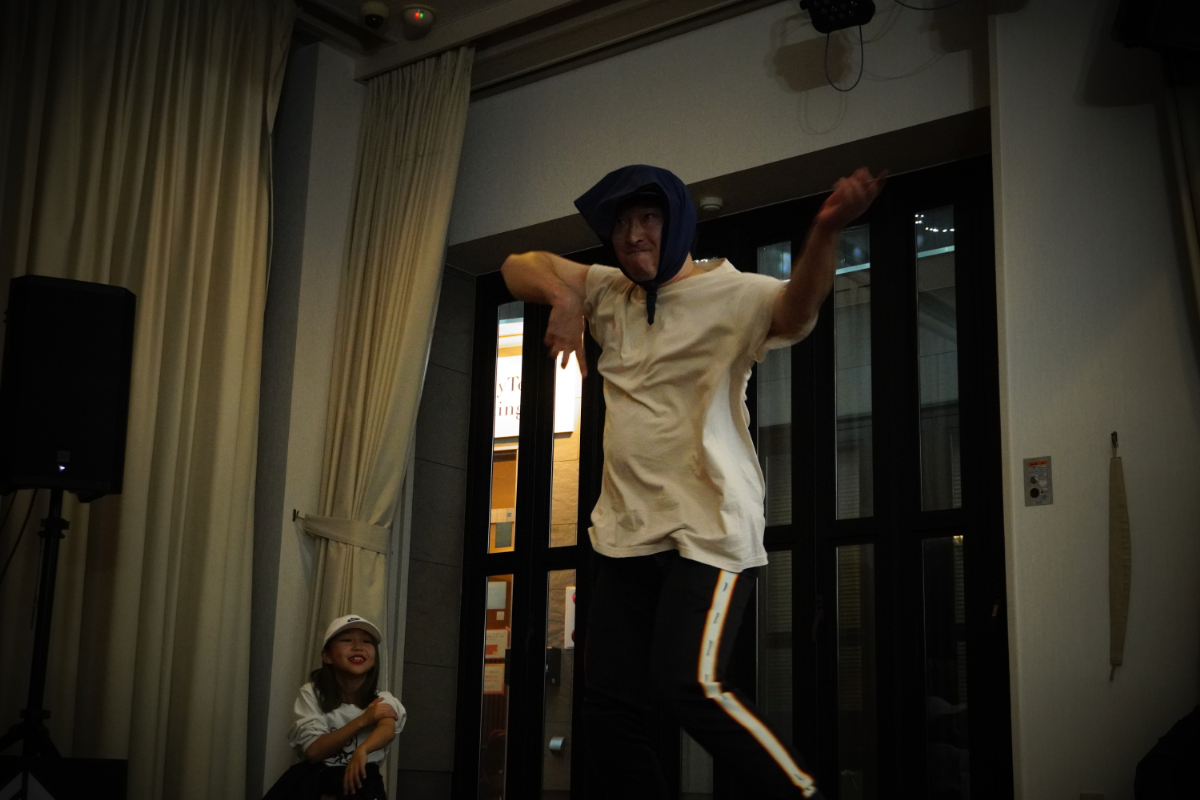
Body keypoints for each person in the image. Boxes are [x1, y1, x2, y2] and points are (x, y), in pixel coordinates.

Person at [500, 163, 883, 799]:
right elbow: (518, 264)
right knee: (607, 708)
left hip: (709, 530)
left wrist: (825, 231)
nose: (633, 235)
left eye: (649, 218)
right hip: (625, 535)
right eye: (621, 224)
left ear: (676, 222)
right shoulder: (606, 290)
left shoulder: (734, 293)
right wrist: (564, 297)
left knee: (689, 684)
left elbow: (798, 308)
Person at [263, 615, 406, 800]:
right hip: (315, 775)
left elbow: (387, 729)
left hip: (363, 777)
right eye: (347, 640)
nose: (358, 647)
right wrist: (363, 720)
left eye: (366, 641)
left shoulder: (383, 698)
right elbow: (314, 752)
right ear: (327, 656)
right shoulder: (312, 693)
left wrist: (362, 750)